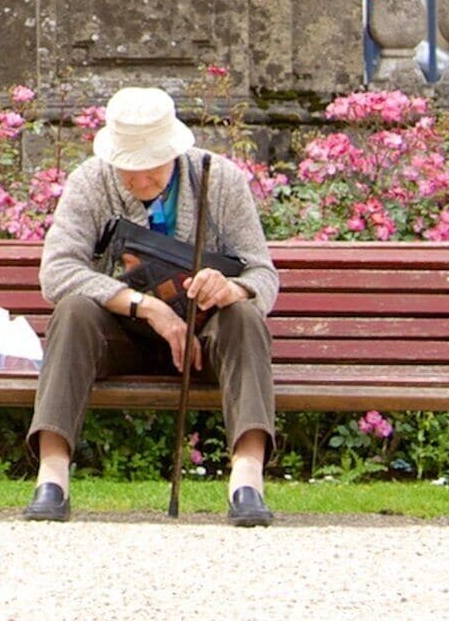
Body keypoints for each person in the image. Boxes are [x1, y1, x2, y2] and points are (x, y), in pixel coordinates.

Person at [21, 84, 284, 526]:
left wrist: (233, 289)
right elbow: (57, 272)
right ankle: (52, 474)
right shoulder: (91, 180)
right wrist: (147, 306)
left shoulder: (220, 180)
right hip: (122, 334)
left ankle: (247, 477)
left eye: (151, 170)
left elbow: (263, 275)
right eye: (129, 169)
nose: (140, 181)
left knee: (244, 315)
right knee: (72, 311)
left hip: (206, 338)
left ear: (174, 152)